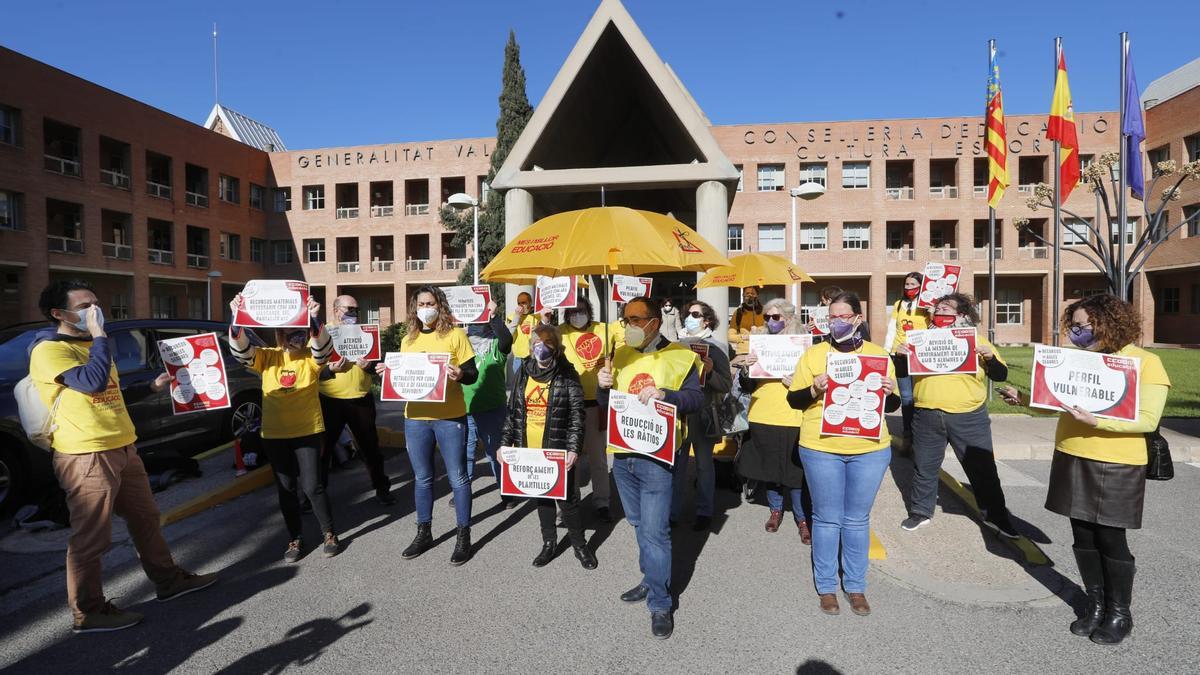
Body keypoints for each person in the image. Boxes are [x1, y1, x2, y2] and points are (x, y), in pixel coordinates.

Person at [28, 280, 217, 633]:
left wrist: (150, 387)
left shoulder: (92, 345)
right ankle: (89, 611)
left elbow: (110, 393)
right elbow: (92, 383)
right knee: (92, 537)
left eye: (96, 304)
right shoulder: (49, 350)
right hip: (86, 454)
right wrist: (100, 336)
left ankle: (168, 581)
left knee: (146, 519)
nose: (94, 311)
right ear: (59, 313)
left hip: (124, 448)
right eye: (85, 306)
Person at [999, 294, 1169, 646]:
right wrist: (1027, 398)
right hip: (1072, 453)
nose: (1076, 332)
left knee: (1110, 537)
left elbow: (1148, 419)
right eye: (1073, 326)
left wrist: (1098, 421)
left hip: (1118, 461)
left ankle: (1119, 612)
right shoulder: (1077, 361)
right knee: (1083, 536)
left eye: (1083, 326)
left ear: (1109, 323)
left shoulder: (1145, 363)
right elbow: (1057, 406)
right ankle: (1094, 604)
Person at [597, 296, 705, 639]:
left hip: (658, 457)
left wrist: (666, 395)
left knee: (656, 533)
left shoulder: (681, 356)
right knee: (639, 523)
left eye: (634, 319)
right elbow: (609, 405)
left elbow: (696, 400)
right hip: (624, 455)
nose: (628, 325)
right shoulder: (620, 356)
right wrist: (602, 387)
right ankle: (650, 579)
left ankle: (660, 603)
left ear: (654, 322)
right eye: (624, 319)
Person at [786, 292, 899, 617]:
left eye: (842, 316)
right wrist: (814, 389)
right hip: (821, 447)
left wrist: (889, 393)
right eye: (831, 316)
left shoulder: (879, 356)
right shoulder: (814, 355)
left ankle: (855, 586)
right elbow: (795, 400)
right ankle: (826, 587)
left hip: (870, 450)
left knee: (857, 520)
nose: (835, 322)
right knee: (826, 519)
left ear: (858, 319)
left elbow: (890, 407)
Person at [229, 291, 341, 562]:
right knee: (286, 489)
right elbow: (241, 350)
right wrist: (237, 317)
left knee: (313, 486)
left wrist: (314, 319)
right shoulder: (266, 357)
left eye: (299, 331)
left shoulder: (309, 358)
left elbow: (323, 349)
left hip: (308, 431)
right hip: (275, 435)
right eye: (290, 332)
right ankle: (295, 538)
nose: (296, 337)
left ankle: (329, 532)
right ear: (279, 334)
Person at [896, 293, 1017, 536]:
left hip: (968, 415)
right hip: (928, 413)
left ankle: (996, 516)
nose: (940, 313)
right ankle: (920, 511)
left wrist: (990, 358)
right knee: (924, 467)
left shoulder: (978, 340)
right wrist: (900, 356)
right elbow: (902, 372)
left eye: (946, 309)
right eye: (937, 309)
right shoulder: (921, 340)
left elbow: (1000, 375)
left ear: (961, 315)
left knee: (982, 469)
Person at [379, 286, 478, 565]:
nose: (426, 308)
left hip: (450, 417)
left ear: (440, 305)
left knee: (457, 477)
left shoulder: (455, 335)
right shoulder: (407, 339)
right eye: (421, 303)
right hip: (416, 418)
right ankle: (424, 532)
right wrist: (389, 373)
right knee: (422, 478)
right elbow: (405, 377)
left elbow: (472, 373)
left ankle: (463, 535)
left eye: (431, 303)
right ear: (415, 308)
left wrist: (460, 373)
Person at [499, 324, 599, 570]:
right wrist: (504, 444)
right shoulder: (524, 370)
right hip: (528, 447)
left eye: (546, 344)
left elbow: (577, 416)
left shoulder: (567, 374)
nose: (540, 348)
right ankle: (549, 543)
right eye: (536, 344)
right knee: (542, 499)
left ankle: (579, 545)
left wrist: (574, 449)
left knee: (568, 501)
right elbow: (513, 412)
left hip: (557, 447)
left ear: (555, 347)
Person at [731, 298, 811, 543]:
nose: (770, 322)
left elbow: (815, 381)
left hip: (793, 415)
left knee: (796, 472)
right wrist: (747, 369)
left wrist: (796, 382)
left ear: (788, 318)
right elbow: (746, 386)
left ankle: (802, 518)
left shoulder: (804, 345)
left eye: (775, 317)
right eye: (767, 317)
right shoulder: (761, 345)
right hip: (763, 414)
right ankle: (775, 510)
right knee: (770, 469)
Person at [319, 294, 392, 505]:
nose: (353, 314)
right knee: (323, 451)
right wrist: (330, 369)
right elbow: (312, 368)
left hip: (361, 399)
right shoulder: (321, 334)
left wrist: (368, 366)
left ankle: (381, 488)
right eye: (349, 309)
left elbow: (377, 366)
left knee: (371, 449)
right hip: (330, 400)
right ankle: (315, 495)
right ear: (335, 310)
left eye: (356, 310)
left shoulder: (365, 334)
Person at [672, 300, 733, 532]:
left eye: (695, 314)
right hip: (680, 415)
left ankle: (704, 511)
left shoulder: (716, 348)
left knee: (704, 466)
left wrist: (710, 372)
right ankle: (672, 512)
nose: (690, 316)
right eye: (687, 313)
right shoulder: (675, 345)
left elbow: (726, 384)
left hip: (705, 415)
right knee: (676, 466)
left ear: (707, 319)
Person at [560, 296, 615, 522]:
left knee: (598, 459)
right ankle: (570, 504)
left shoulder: (604, 330)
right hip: (569, 407)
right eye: (572, 311)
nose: (577, 314)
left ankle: (602, 502)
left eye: (581, 310)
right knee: (569, 460)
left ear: (589, 311)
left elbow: (619, 351)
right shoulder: (558, 332)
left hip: (596, 405)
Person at [463, 300, 514, 507]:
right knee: (465, 454)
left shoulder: (495, 346)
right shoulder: (461, 348)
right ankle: (462, 492)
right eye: (473, 323)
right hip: (464, 409)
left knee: (496, 453)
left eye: (480, 323)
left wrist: (493, 316)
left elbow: (506, 339)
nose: (476, 327)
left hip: (493, 409)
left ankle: (506, 492)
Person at [884, 272, 927, 450]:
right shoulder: (899, 304)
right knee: (907, 397)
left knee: (921, 396)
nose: (909, 288)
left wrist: (932, 311)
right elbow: (892, 329)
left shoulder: (929, 306)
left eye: (913, 284)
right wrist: (887, 351)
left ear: (922, 286)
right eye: (907, 285)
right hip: (899, 355)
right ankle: (908, 433)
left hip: (921, 356)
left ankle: (922, 434)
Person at [507, 291, 539, 379]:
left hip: (533, 358)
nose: (521, 305)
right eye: (519, 303)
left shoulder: (536, 317)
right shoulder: (511, 317)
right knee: (519, 384)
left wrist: (538, 330)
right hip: (518, 358)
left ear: (530, 303)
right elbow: (509, 337)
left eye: (524, 303)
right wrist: (516, 317)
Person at [727, 286, 765, 355]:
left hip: (761, 352)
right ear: (743, 295)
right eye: (747, 293)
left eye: (752, 293)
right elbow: (730, 336)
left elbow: (769, 334)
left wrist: (756, 334)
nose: (750, 296)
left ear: (757, 295)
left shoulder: (765, 312)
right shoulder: (738, 312)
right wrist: (742, 337)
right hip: (742, 353)